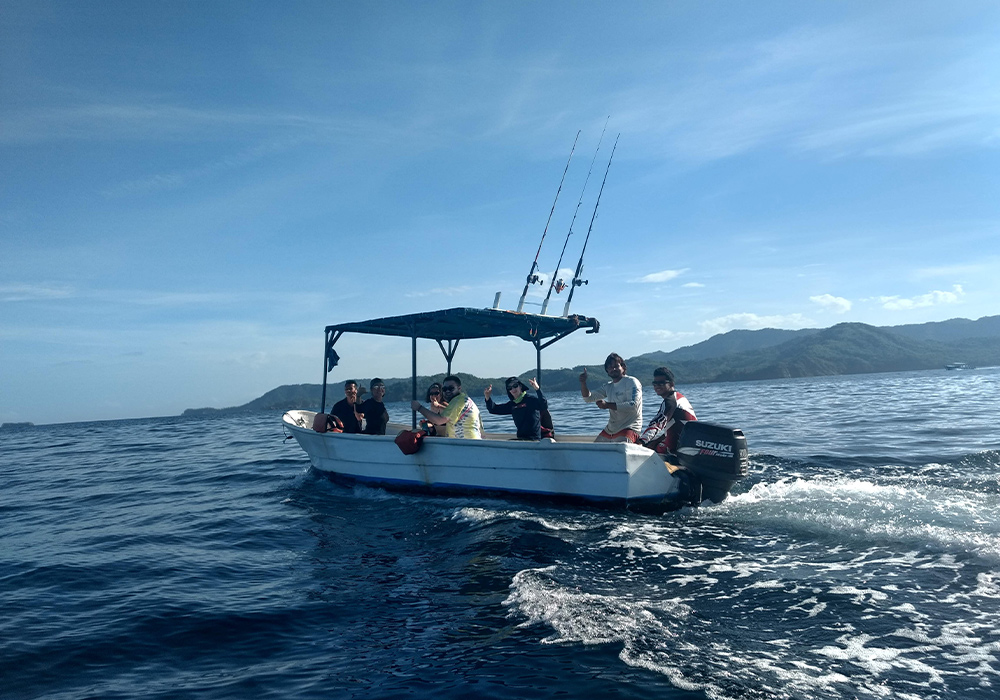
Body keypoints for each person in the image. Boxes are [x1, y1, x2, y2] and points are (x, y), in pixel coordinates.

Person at [579, 352, 643, 442]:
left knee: (619, 449)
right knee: (593, 451)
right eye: (610, 367)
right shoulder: (608, 386)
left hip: (630, 427)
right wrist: (583, 383)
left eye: (616, 366)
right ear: (607, 371)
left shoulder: (632, 382)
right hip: (610, 430)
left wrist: (607, 405)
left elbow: (633, 406)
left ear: (623, 367)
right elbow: (588, 398)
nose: (613, 369)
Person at [639, 367, 697, 457]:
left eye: (661, 383)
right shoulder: (679, 398)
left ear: (671, 384)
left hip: (676, 449)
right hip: (689, 445)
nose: (657, 386)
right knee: (652, 443)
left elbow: (657, 424)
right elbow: (673, 426)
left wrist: (641, 441)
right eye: (655, 383)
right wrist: (656, 441)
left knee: (644, 448)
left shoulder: (670, 401)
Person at [411, 375, 482, 439]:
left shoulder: (459, 402)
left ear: (459, 388)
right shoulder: (461, 400)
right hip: (466, 443)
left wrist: (419, 408)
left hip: (466, 444)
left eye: (451, 388)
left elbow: (439, 420)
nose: (447, 391)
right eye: (444, 389)